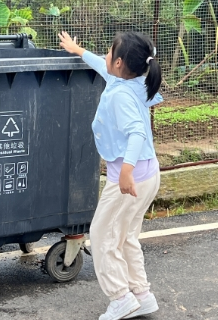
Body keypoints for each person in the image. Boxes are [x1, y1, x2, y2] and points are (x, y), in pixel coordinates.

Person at [59, 30, 163, 320]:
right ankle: (141, 295)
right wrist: (77, 50)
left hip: (129, 181)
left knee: (103, 236)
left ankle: (120, 298)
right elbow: (100, 65)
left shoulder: (120, 97)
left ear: (118, 63)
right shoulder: (133, 81)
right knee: (125, 236)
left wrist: (126, 172)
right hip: (148, 175)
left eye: (109, 52)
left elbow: (137, 134)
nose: (104, 55)